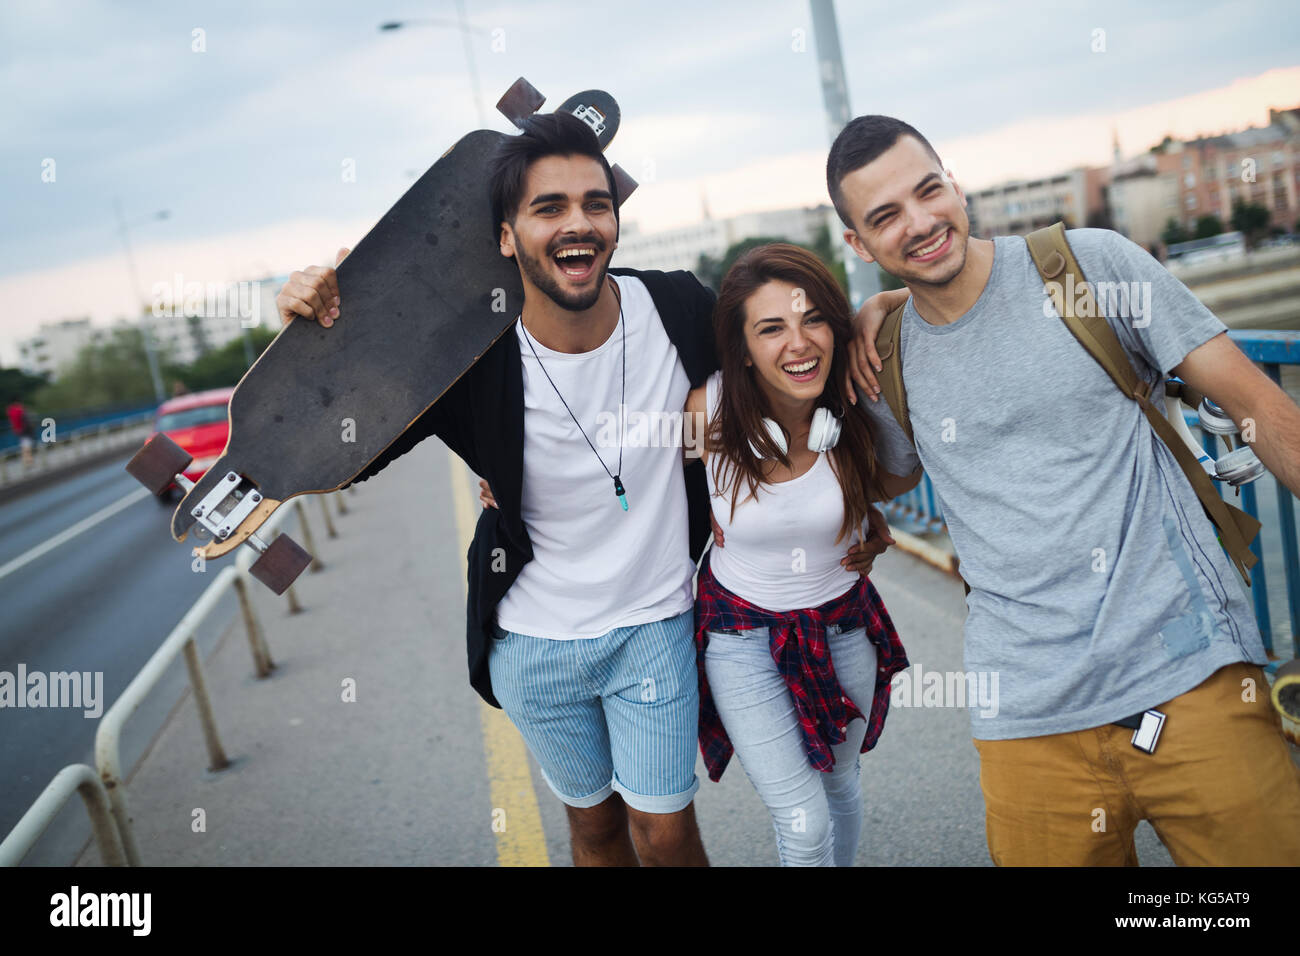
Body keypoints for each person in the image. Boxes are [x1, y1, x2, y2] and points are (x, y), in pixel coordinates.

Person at [277, 112, 894, 866]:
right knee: (594, 829)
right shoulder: (470, 362)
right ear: (507, 236)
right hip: (532, 642)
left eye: (596, 204)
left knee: (664, 831)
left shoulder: (677, 308)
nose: (580, 224)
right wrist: (324, 328)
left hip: (654, 624)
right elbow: (345, 445)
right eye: (550, 208)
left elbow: (787, 353)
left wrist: (875, 314)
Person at [828, 114, 1300, 865]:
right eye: (885, 217)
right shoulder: (884, 360)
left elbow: (1261, 409)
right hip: (1027, 720)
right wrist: (850, 335)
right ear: (858, 244)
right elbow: (883, 479)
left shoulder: (1091, 267)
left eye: (927, 191)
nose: (920, 224)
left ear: (954, 182)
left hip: (1192, 675)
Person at [685, 243, 913, 865]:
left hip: (842, 625)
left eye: (813, 319)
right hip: (741, 636)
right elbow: (633, 477)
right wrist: (506, 479)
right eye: (771, 328)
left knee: (840, 787)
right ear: (744, 348)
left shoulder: (850, 413)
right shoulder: (708, 411)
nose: (799, 343)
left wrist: (882, 304)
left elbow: (898, 478)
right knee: (804, 820)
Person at [6, 399, 34, 468]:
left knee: (24, 445)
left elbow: (11, 420)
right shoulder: (21, 410)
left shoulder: (10, 410)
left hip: (17, 430)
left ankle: (27, 460)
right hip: (25, 430)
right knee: (26, 446)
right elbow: (27, 421)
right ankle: (28, 461)